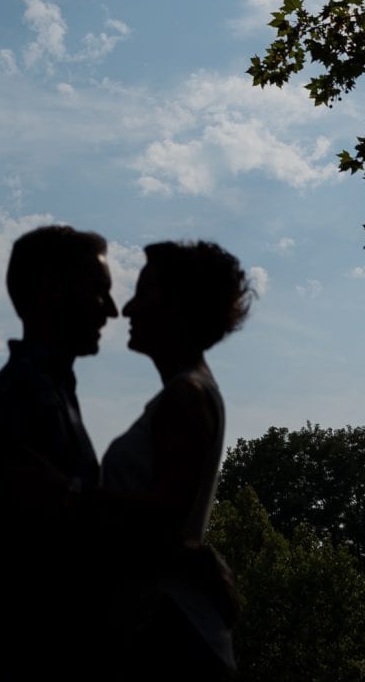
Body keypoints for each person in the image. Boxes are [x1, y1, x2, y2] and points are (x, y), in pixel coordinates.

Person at [0, 224, 118, 682]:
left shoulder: (46, 389)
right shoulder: (23, 393)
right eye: (99, 292)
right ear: (53, 289)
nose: (111, 310)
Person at [99, 239, 252, 681]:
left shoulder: (184, 398)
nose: (127, 309)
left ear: (180, 308)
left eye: (144, 293)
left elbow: (166, 516)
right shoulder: (191, 392)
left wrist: (70, 492)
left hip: (173, 635)